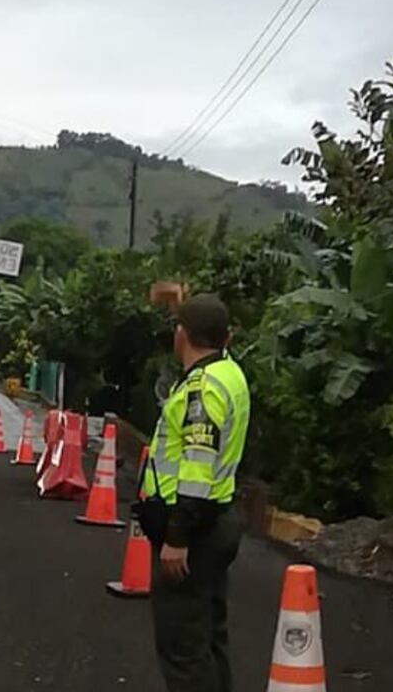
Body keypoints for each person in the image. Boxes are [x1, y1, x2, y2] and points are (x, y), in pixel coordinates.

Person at [141, 292, 250, 692]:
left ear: (181, 335)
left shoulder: (202, 390)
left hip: (195, 530)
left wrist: (177, 537)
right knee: (209, 638)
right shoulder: (231, 373)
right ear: (228, 338)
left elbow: (197, 467)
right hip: (220, 518)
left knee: (183, 649)